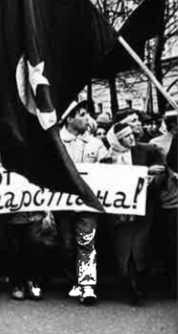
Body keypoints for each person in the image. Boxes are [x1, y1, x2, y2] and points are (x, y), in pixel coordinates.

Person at [103, 122, 166, 305]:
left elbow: (161, 173)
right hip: (119, 213)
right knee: (124, 251)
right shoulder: (107, 158)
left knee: (140, 248)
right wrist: (144, 172)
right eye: (126, 136)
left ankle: (141, 286)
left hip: (143, 210)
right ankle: (130, 287)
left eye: (132, 134)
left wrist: (151, 180)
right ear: (117, 139)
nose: (132, 138)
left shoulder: (147, 150)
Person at [58, 102, 108, 305]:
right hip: (62, 204)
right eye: (82, 114)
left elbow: (108, 170)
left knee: (87, 242)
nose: (87, 118)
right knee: (67, 244)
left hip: (88, 205)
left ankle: (87, 286)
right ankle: (74, 281)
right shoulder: (55, 143)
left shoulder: (96, 144)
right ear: (69, 119)